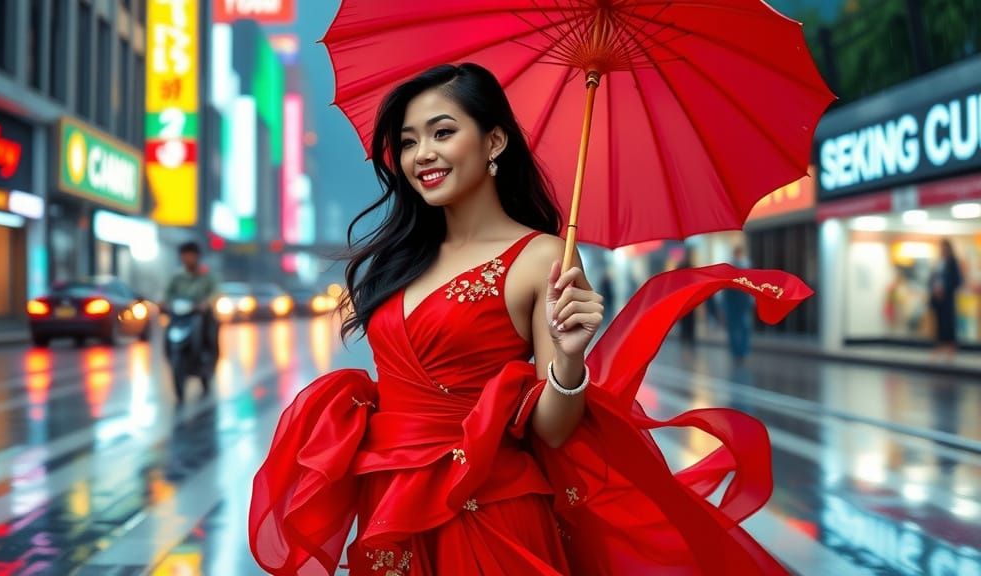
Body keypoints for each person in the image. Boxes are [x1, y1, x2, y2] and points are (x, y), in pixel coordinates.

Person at [250, 64, 792, 575]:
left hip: (487, 509)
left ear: (494, 141)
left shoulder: (541, 258)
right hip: (388, 503)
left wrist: (571, 356)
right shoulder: (401, 256)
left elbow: (553, 430)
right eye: (409, 140)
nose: (421, 155)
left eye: (441, 132)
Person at [163, 241, 220, 400]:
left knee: (210, 332)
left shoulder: (206, 275)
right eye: (185, 255)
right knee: (167, 331)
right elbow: (167, 294)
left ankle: (209, 358)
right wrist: (164, 303)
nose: (188, 258)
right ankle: (170, 355)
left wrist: (206, 303)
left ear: (197, 256)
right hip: (180, 315)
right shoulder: (177, 276)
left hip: (201, 315)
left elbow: (215, 292)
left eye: (191, 255)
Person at [930, 239, 963, 360]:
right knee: (940, 323)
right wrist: (934, 290)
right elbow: (933, 279)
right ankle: (940, 346)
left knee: (949, 322)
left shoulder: (952, 263)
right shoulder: (939, 263)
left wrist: (945, 290)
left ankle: (950, 347)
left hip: (948, 298)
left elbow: (957, 281)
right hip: (938, 299)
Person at [723, 246, 755, 363]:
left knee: (743, 327)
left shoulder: (745, 266)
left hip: (742, 302)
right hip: (734, 302)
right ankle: (738, 352)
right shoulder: (732, 268)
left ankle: (741, 351)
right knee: (735, 328)